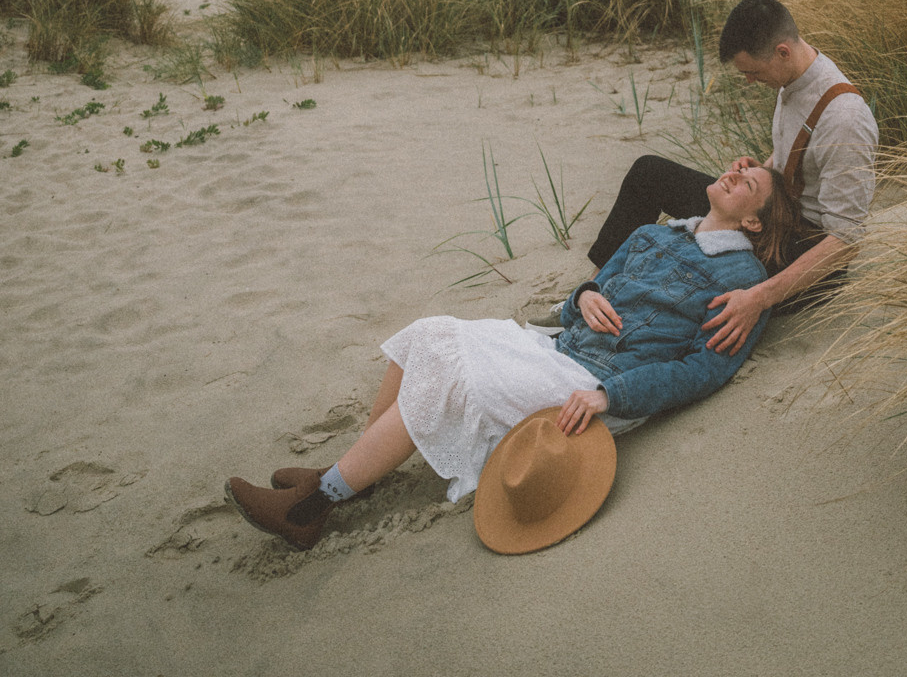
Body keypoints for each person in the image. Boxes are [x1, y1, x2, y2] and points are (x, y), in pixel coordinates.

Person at [225, 164, 798, 551]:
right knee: (429, 332)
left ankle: (313, 506)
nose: (733, 171)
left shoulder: (743, 283)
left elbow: (701, 371)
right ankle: (355, 472)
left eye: (748, 182)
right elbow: (587, 294)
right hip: (556, 347)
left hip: (594, 383)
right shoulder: (657, 235)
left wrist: (610, 396)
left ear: (752, 222)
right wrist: (585, 297)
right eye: (736, 165)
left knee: (453, 377)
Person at [586, 0, 878, 357]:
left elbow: (846, 239)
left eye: (753, 72)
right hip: (772, 216)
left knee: (690, 263)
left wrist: (759, 297)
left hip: (806, 254)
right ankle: (592, 290)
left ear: (783, 52)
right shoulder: (794, 77)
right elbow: (795, 154)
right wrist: (761, 173)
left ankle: (622, 322)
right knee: (649, 173)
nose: (751, 82)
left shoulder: (845, 118)